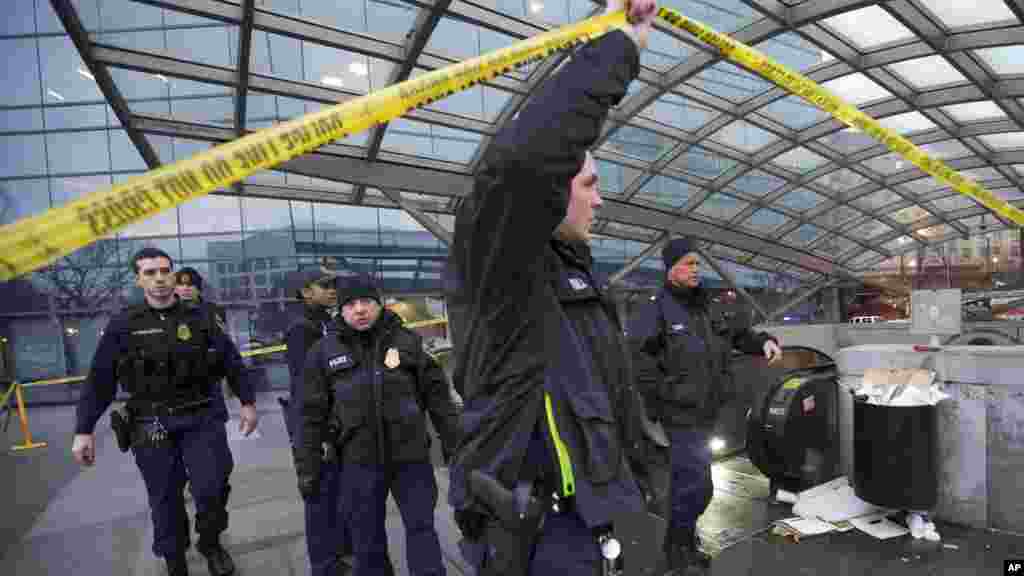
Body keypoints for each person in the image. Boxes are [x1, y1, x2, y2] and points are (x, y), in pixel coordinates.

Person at [443, 1, 660, 573]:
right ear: (553, 188)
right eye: (589, 183)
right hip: (532, 528)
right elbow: (521, 165)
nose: (600, 198)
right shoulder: (504, 265)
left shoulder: (574, 270)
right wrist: (620, 47)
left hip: (585, 519)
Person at [72, 247, 259, 576]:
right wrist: (84, 429)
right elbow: (100, 379)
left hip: (201, 416)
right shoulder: (124, 324)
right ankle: (175, 561)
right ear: (138, 280)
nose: (159, 279)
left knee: (212, 487)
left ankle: (211, 543)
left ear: (172, 274)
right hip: (151, 421)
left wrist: (247, 402)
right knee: (165, 496)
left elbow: (231, 360)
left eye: (164, 271)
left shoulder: (200, 318)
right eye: (150, 273)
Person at [628, 237, 782, 575]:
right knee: (695, 484)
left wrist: (765, 342)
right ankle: (678, 553)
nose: (695, 269)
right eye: (687, 263)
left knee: (692, 484)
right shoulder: (656, 310)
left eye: (697, 263)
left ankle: (680, 545)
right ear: (670, 269)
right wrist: (665, 396)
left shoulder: (709, 305)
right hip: (680, 413)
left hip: (708, 410)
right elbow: (638, 361)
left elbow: (740, 334)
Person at [294, 274, 459, 576]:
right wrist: (308, 468)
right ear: (340, 310)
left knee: (422, 530)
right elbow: (308, 416)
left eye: (367, 302)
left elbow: (440, 402)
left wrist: (455, 447)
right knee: (366, 542)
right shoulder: (322, 352)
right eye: (351, 304)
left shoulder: (409, 343)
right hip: (357, 463)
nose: (360, 310)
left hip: (410, 460)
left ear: (379, 305)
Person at [281, 269, 362, 576]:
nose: (332, 290)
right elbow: (308, 386)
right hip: (317, 425)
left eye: (334, 285)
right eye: (324, 285)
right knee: (319, 498)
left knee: (339, 493)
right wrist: (322, 433)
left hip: (335, 420)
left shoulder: (326, 321)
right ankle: (325, 566)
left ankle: (342, 553)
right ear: (305, 292)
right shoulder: (302, 328)